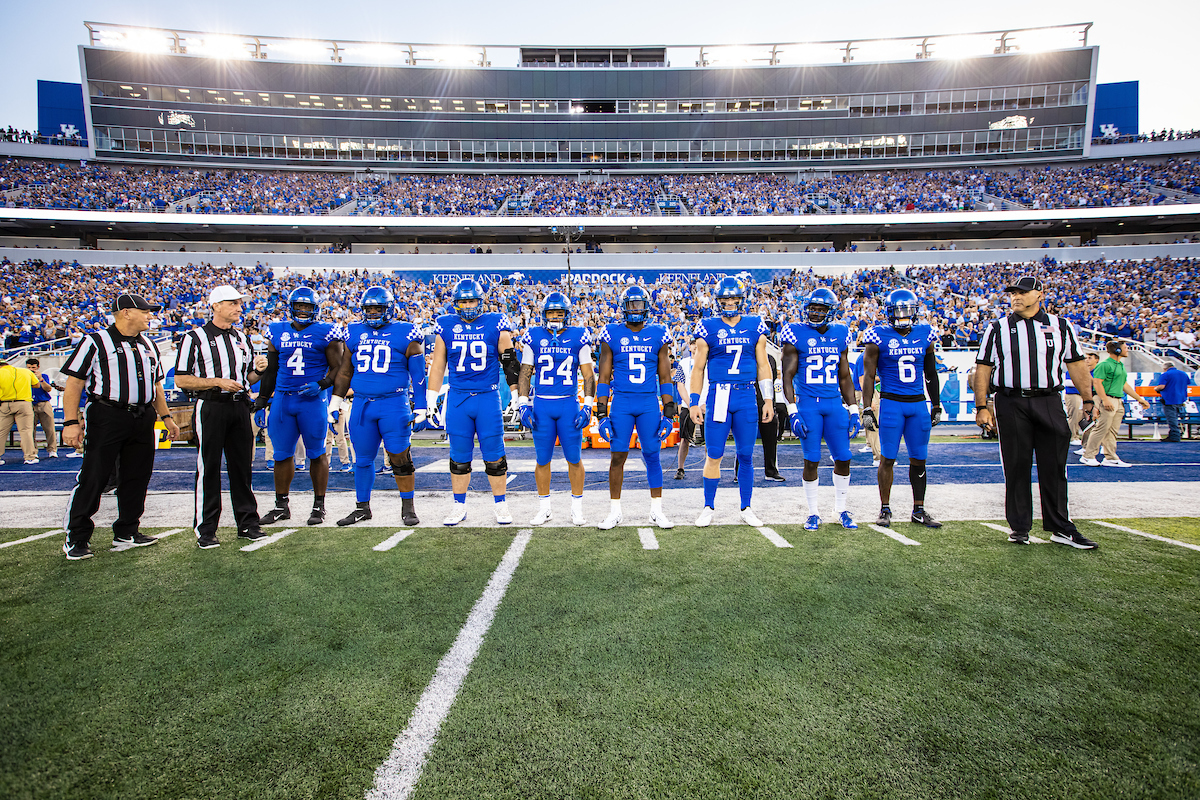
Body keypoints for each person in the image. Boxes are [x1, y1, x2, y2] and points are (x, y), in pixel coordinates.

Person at [973, 275, 1100, 549]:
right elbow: (982, 368)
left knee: (1055, 466)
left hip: (1049, 399)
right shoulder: (998, 328)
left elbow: (1076, 365)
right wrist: (982, 406)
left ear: (1039, 294)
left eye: (1022, 292)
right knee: (1016, 465)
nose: (1016, 297)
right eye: (1013, 293)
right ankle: (1019, 527)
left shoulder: (1061, 326)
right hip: (1011, 401)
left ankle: (1060, 527)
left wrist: (1089, 400)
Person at [59, 293, 181, 560]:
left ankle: (127, 530)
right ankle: (77, 536)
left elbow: (156, 384)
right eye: (145, 311)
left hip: (143, 416)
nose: (151, 316)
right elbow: (74, 383)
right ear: (126, 312)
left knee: (137, 476)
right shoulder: (95, 342)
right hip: (107, 413)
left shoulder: (148, 344)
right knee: (95, 475)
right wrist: (70, 422)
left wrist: (166, 417)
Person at [174, 285, 269, 549]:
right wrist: (216, 382)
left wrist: (259, 372)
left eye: (240, 303)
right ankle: (206, 529)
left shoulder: (242, 338)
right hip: (211, 406)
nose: (239, 308)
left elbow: (246, 379)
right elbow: (181, 379)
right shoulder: (194, 337)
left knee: (242, 467)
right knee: (209, 468)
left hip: (239, 406)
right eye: (233, 303)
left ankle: (248, 523)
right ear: (215, 306)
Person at [426, 278, 520, 526]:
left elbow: (509, 362)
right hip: (458, 399)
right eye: (463, 301)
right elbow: (438, 365)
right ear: (456, 304)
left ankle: (501, 505)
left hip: (487, 397)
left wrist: (516, 394)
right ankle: (459, 505)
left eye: (472, 300)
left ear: (481, 301)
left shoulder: (495, 321)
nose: (468, 306)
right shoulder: (445, 324)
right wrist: (431, 397)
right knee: (459, 457)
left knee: (495, 456)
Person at [332, 286, 428, 527]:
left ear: (389, 309)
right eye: (369, 309)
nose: (373, 313)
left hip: (394, 404)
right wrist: (335, 400)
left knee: (399, 456)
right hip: (363, 405)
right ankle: (362, 507)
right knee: (362, 459)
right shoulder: (353, 331)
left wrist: (422, 407)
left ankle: (408, 507)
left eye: (378, 308)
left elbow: (418, 376)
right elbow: (345, 371)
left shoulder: (406, 332)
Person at [253, 286, 348, 526]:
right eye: (299, 306)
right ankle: (280, 506)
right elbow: (272, 368)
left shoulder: (326, 331)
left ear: (315, 309)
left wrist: (323, 384)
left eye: (308, 307)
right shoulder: (277, 330)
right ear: (291, 307)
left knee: (317, 453)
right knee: (282, 454)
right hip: (284, 399)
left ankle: (319, 506)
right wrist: (262, 400)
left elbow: (339, 367)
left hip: (312, 400)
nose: (303, 311)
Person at [688, 276, 775, 527]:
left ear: (742, 298)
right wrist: (695, 401)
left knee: (746, 455)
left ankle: (746, 507)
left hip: (747, 394)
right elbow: (698, 368)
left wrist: (767, 399)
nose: (729, 303)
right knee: (714, 453)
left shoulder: (754, 324)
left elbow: (762, 365)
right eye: (725, 299)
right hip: (719, 395)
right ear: (717, 300)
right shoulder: (708, 326)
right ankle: (708, 506)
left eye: (733, 298)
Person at [595, 284, 676, 530]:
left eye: (639, 304)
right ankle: (615, 511)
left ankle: (656, 510)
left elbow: (665, 377)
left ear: (647, 307)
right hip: (622, 402)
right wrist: (601, 413)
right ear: (624, 307)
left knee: (652, 455)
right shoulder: (611, 334)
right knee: (617, 455)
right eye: (631, 305)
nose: (635, 309)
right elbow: (604, 377)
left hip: (648, 403)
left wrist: (669, 413)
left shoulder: (658, 334)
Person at [860, 288, 943, 528]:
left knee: (919, 459)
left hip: (917, 404)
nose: (904, 315)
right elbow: (868, 375)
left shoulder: (925, 334)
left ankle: (919, 509)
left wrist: (936, 403)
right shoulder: (877, 336)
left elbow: (931, 373)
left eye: (907, 310)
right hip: (892, 403)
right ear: (889, 312)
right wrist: (866, 408)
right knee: (888, 458)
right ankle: (885, 509)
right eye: (899, 310)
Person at [780, 287, 860, 530]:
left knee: (844, 458)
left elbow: (845, 377)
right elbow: (787, 375)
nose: (814, 313)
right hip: (808, 404)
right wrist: (792, 410)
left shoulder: (841, 333)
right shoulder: (795, 332)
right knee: (811, 459)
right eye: (812, 308)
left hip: (834, 404)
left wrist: (854, 409)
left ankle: (840, 509)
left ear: (831, 311)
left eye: (820, 309)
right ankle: (813, 512)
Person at [516, 291, 596, 526]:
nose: (554, 317)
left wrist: (587, 406)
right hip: (542, 404)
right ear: (544, 314)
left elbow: (588, 374)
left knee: (574, 458)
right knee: (542, 459)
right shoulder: (534, 336)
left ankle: (577, 508)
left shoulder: (578, 336)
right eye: (551, 312)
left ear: (567, 314)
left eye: (559, 312)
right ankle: (544, 508)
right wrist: (523, 404)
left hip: (568, 404)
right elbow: (525, 372)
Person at [1080, 341, 1150, 468]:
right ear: (1117, 350)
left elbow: (1124, 385)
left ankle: (1110, 457)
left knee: (1112, 431)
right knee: (1101, 428)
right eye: (1125, 348)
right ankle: (1088, 455)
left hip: (1118, 399)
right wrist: (1105, 400)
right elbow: (1097, 383)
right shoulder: (1105, 365)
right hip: (1108, 398)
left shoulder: (1120, 365)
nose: (1127, 350)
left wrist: (1139, 399)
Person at [673, 338, 704, 480]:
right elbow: (680, 385)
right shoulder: (683, 363)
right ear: (690, 347)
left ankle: (709, 468)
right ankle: (680, 468)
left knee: (710, 439)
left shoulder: (709, 362)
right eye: (693, 344)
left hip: (706, 404)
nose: (696, 347)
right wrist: (691, 404)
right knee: (685, 438)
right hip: (688, 405)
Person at [0, 354, 38, 464]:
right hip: (24, 403)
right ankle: (30, 457)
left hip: (5, 404)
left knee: (1, 432)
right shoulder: (25, 371)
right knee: (26, 431)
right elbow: (36, 385)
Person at [1065, 351, 1100, 444]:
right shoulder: (1075, 369)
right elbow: (1068, 382)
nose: (1087, 360)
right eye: (1086, 358)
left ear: (1097, 360)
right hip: (1074, 394)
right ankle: (1073, 437)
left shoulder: (1096, 371)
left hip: (1086, 396)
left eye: (1090, 358)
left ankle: (1085, 440)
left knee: (1084, 417)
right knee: (1074, 415)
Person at [25, 358, 58, 459]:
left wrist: (41, 379)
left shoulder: (44, 376)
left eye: (33, 367)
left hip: (43, 403)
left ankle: (52, 449)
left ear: (38, 367)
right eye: (29, 367)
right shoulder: (24, 377)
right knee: (30, 430)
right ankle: (33, 451)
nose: (31, 369)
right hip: (30, 404)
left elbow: (48, 389)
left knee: (49, 428)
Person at [1153, 363, 1192, 443]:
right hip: (1181, 399)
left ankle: (1175, 436)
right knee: (1176, 418)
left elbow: (1162, 386)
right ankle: (1173, 435)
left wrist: (1156, 388)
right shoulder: (1183, 373)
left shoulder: (1166, 374)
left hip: (1169, 399)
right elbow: (1187, 384)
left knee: (1172, 419)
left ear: (1165, 368)